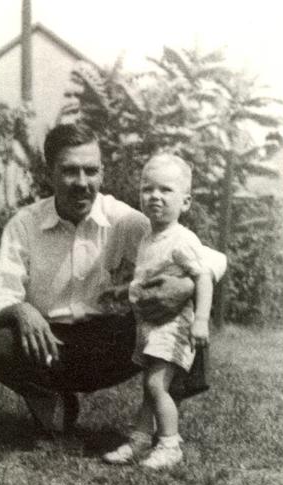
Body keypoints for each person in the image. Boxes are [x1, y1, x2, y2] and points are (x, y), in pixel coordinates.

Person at [0, 122, 226, 439]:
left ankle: (160, 422)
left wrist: (187, 286)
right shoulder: (24, 225)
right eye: (70, 171)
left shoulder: (121, 218)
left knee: (183, 310)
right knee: (0, 347)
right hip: (49, 345)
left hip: (107, 344)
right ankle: (49, 396)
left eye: (91, 171)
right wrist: (22, 311)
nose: (82, 183)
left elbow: (212, 259)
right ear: (50, 172)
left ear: (101, 173)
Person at [101, 154, 211, 468]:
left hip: (174, 325)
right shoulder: (148, 239)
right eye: (148, 189)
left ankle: (169, 445)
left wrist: (201, 319)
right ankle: (138, 440)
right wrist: (123, 290)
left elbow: (202, 276)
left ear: (186, 202)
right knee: (151, 387)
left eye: (166, 190)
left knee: (155, 385)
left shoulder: (182, 239)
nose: (155, 196)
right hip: (149, 326)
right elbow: (148, 279)